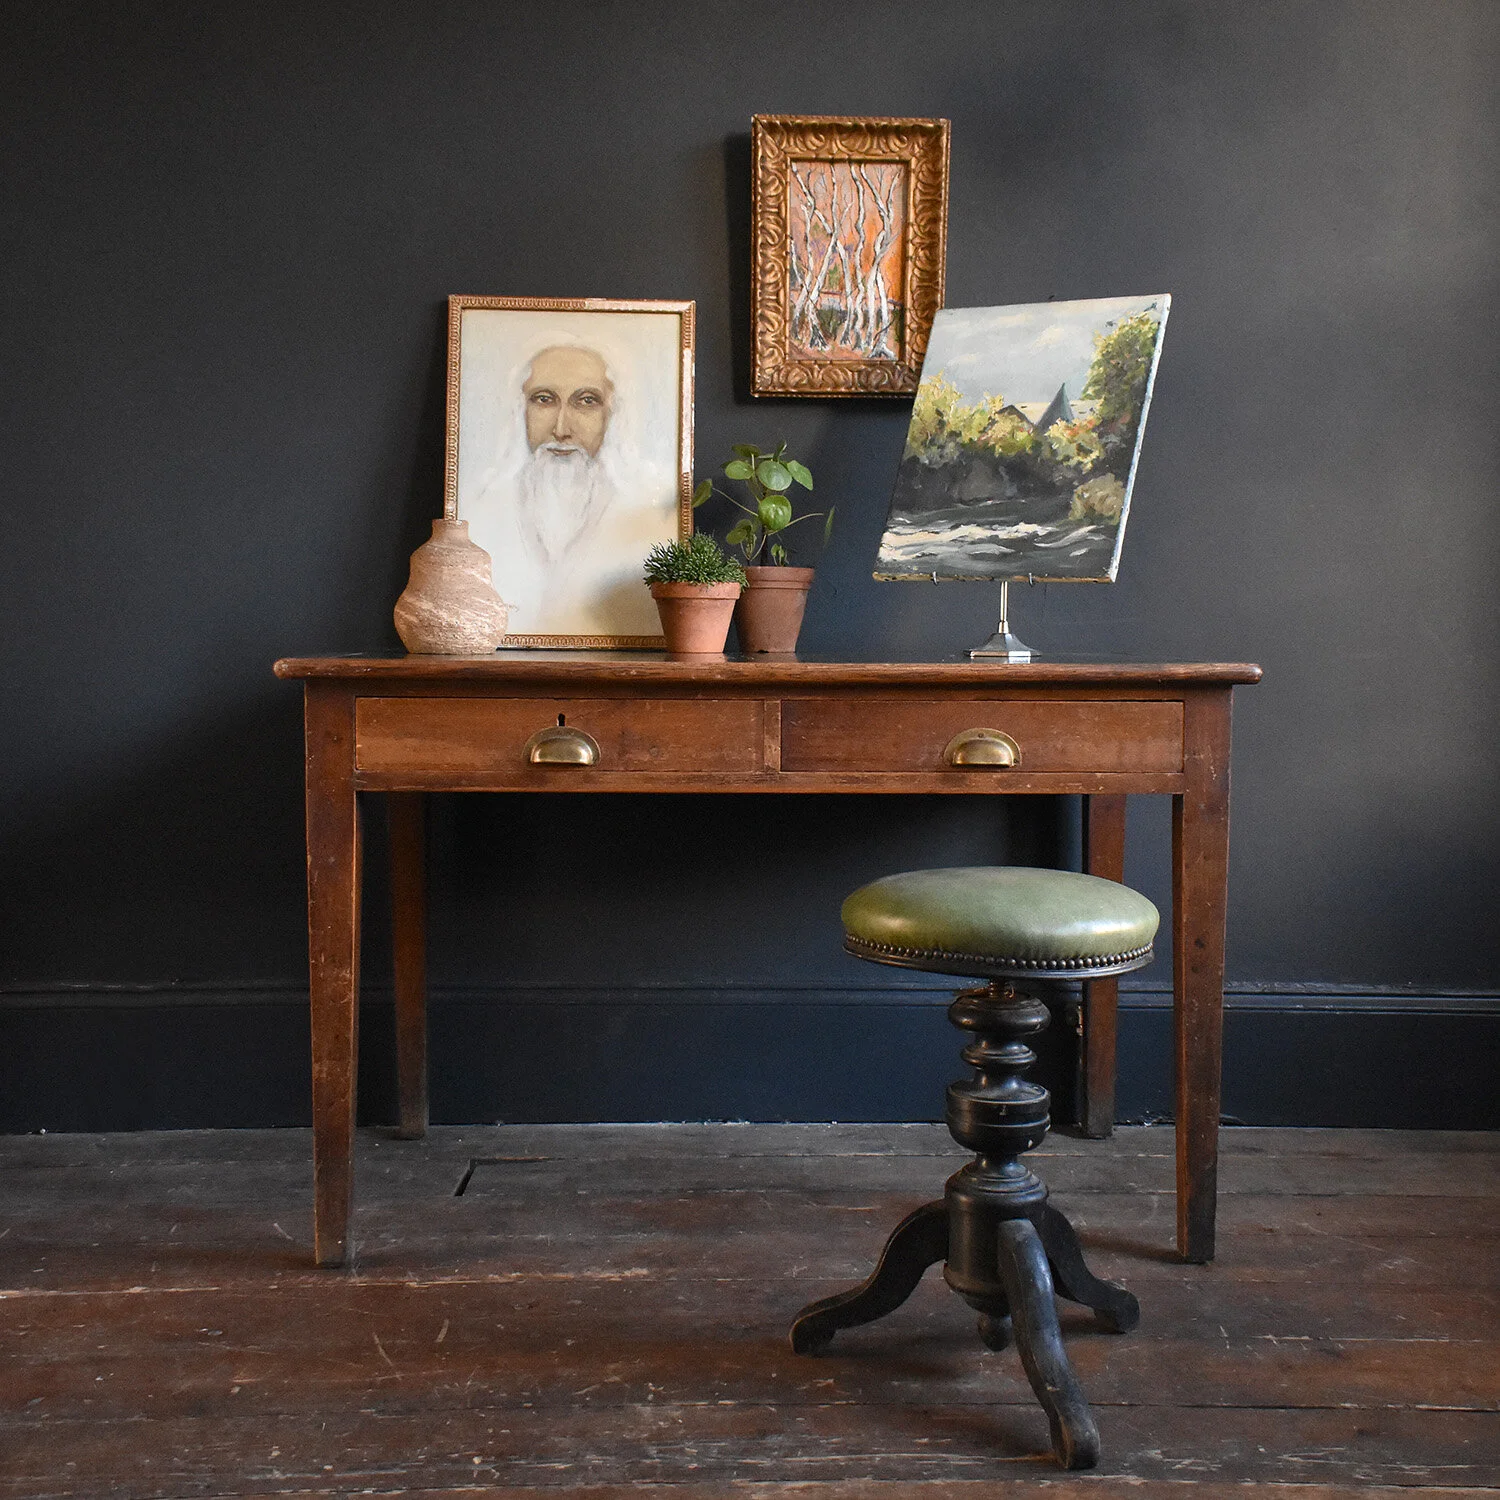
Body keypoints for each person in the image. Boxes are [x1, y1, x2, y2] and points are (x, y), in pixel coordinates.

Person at [465, 340, 667, 640]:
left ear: (611, 414)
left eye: (586, 401)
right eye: (544, 399)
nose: (561, 429)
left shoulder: (645, 516)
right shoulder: (481, 512)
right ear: (520, 409)